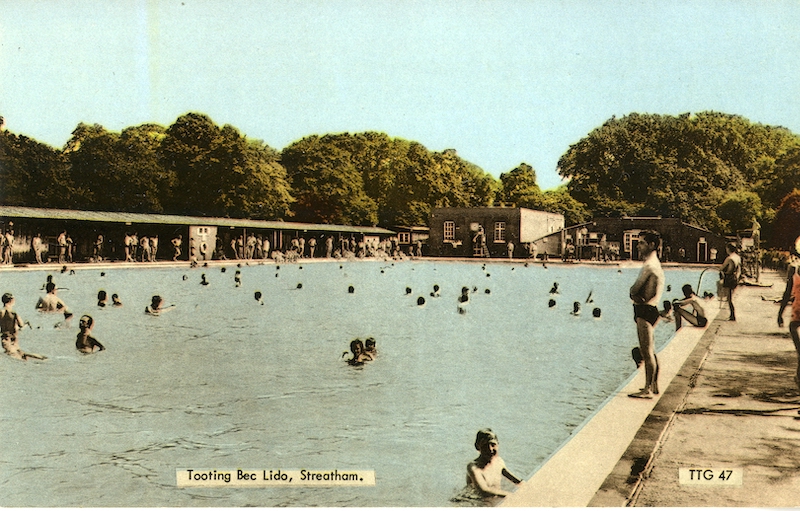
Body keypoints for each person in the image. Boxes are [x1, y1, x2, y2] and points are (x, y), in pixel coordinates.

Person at [628, 230, 665, 399]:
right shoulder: (655, 264)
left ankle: (647, 389)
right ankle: (653, 385)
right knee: (650, 349)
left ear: (651, 245)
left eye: (642, 242)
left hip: (645, 309)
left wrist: (634, 294)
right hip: (649, 308)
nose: (638, 245)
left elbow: (634, 289)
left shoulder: (649, 265)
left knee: (646, 351)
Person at [464, 428, 521, 499]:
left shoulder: (499, 462)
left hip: (494, 499)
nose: (490, 449)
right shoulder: (473, 467)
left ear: (498, 445)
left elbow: (517, 482)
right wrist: (512, 496)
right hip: (476, 502)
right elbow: (484, 491)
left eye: (493, 444)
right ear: (477, 447)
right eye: (485, 445)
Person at [778, 236, 800, 391]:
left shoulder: (795, 272)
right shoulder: (795, 273)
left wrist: (779, 314)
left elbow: (786, 295)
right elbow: (786, 294)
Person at [1, 293, 44, 360]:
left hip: (5, 339)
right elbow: (21, 325)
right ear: (11, 300)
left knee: (20, 356)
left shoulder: (1, 312)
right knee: (19, 357)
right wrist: (26, 324)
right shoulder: (13, 313)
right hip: (14, 340)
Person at [721, 243, 742, 321]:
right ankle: (732, 314)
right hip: (735, 277)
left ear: (728, 249)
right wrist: (737, 277)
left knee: (729, 298)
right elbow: (739, 269)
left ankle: (732, 315)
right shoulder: (738, 257)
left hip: (728, 277)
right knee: (731, 297)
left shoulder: (729, 258)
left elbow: (722, 268)